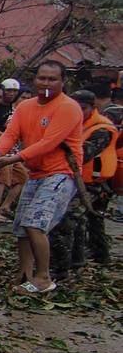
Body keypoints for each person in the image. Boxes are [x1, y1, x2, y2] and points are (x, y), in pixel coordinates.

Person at [0, 60, 84, 294]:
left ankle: (44, 277)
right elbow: (11, 133)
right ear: (35, 79)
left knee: (35, 223)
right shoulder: (25, 107)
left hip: (60, 173)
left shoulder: (68, 107)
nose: (46, 83)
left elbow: (48, 143)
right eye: (42, 78)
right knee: (21, 226)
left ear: (63, 82)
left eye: (52, 79)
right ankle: (25, 274)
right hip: (36, 172)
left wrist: (12, 159)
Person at [68, 88, 117, 265]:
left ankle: (76, 259)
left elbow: (85, 153)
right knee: (94, 219)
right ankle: (101, 256)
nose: (79, 112)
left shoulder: (103, 128)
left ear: (92, 107)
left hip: (95, 183)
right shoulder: (76, 124)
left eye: (82, 108)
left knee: (75, 217)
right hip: (81, 180)